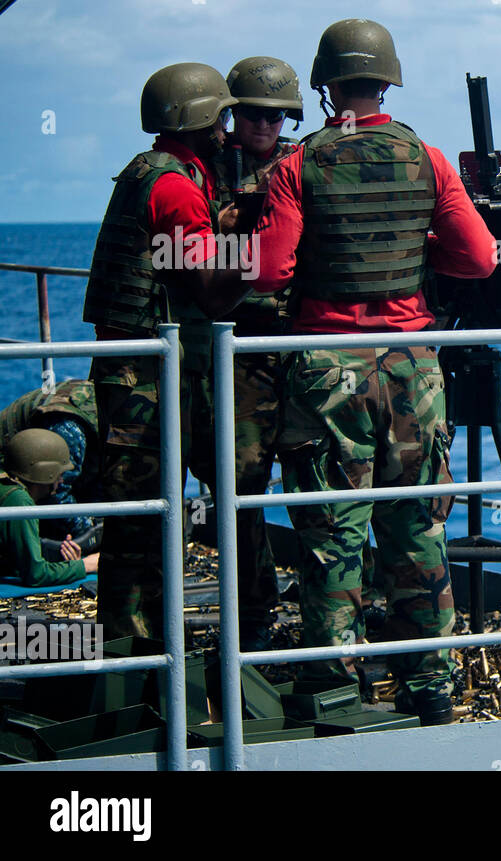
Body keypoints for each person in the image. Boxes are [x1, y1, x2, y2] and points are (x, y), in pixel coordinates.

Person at [251, 18, 497, 724]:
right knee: (418, 525)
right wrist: (420, 263)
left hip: (327, 372)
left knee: (333, 533)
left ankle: (334, 688)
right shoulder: (429, 158)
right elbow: (480, 259)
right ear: (388, 81)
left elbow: (270, 272)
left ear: (326, 87)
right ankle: (432, 687)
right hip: (414, 372)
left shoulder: (299, 167)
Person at [82, 62, 254, 640]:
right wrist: (254, 257)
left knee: (140, 512)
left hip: (135, 366)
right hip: (146, 379)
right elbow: (207, 289)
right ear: (199, 118)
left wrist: (216, 228)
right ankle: (140, 655)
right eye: (222, 116)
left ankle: (134, 651)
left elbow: (172, 261)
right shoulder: (178, 188)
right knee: (145, 518)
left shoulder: (148, 171)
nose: (228, 129)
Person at [204, 56, 306, 650]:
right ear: (231, 114)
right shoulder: (208, 170)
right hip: (237, 345)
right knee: (240, 484)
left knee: (318, 475)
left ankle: (334, 599)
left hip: (294, 340)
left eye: (275, 115)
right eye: (252, 114)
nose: (264, 125)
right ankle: (253, 608)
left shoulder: (302, 166)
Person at [0, 379, 100, 544]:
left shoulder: (99, 400)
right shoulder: (70, 427)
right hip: (14, 483)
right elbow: (56, 491)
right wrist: (91, 534)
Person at [0, 429, 99, 586]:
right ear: (44, 472)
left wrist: (67, 564)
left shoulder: (7, 486)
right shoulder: (18, 500)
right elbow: (35, 575)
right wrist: (86, 565)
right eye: (59, 473)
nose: (61, 480)